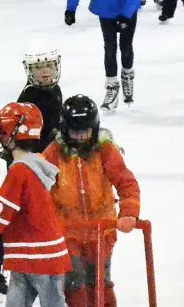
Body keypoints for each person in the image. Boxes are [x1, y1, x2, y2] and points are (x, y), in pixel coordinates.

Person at [0, 104, 70, 305]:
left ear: (15, 133)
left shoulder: (20, 171)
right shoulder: (33, 165)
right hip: (29, 257)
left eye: (2, 131)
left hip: (39, 257)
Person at [42, 95, 141, 307]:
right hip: (67, 232)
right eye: (74, 132)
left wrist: (129, 213)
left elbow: (126, 182)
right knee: (74, 280)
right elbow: (39, 190)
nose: (80, 138)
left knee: (99, 280)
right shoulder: (54, 154)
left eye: (85, 132)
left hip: (101, 231)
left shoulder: (105, 151)